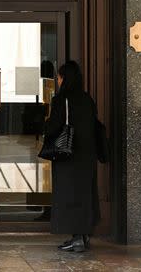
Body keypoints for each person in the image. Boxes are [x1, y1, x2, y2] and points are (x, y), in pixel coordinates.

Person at [45, 60, 100, 253]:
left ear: (63, 78)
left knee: (69, 194)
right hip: (87, 154)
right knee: (85, 193)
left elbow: (53, 127)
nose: (58, 80)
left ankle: (77, 238)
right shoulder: (87, 99)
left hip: (68, 154)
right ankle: (83, 236)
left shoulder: (62, 100)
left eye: (59, 77)